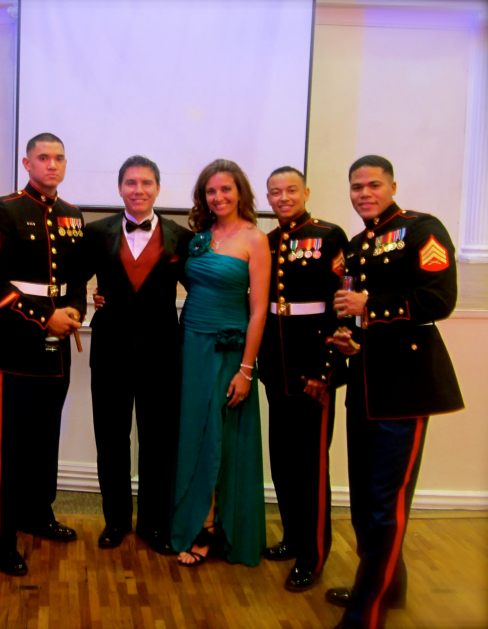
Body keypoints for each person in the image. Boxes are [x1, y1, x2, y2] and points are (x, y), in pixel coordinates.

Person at [327, 155, 464, 629]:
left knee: (387, 502)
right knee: (366, 501)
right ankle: (390, 586)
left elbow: (440, 300)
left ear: (392, 186)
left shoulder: (422, 229)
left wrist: (371, 306)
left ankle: (367, 611)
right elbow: (359, 316)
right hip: (365, 383)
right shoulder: (359, 245)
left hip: (405, 386)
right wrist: (351, 336)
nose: (364, 194)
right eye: (356, 187)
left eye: (373, 185)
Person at [0, 132, 87, 576]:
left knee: (45, 437)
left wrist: (74, 310)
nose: (52, 165)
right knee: (8, 445)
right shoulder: (4, 209)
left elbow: (77, 277)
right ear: (27, 164)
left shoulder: (72, 214)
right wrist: (46, 317)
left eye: (59, 158)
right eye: (43, 158)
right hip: (15, 344)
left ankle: (38, 514)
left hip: (57, 347)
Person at [81, 155, 192, 553]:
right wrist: (83, 305)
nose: (138, 190)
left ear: (158, 188)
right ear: (120, 188)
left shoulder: (181, 236)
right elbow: (73, 279)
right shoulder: (96, 232)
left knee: (159, 442)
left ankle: (154, 524)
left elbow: (199, 289)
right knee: (111, 438)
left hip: (163, 353)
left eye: (146, 183)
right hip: (109, 350)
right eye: (131, 183)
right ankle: (115, 521)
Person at [171, 158, 270, 568]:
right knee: (194, 433)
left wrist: (246, 369)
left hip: (229, 350)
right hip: (191, 344)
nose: (218, 197)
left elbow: (259, 310)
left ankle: (213, 526)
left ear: (240, 192)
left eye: (225, 189)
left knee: (221, 437)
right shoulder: (200, 238)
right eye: (211, 191)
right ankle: (195, 518)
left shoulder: (255, 239)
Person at [258, 166, 348, 591]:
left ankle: (313, 555)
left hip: (313, 370)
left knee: (311, 466)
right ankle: (293, 537)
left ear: (306, 192)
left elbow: (340, 308)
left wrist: (325, 370)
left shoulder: (329, 236)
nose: (283, 198)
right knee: (283, 459)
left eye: (291, 190)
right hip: (277, 367)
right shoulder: (269, 241)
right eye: (275, 192)